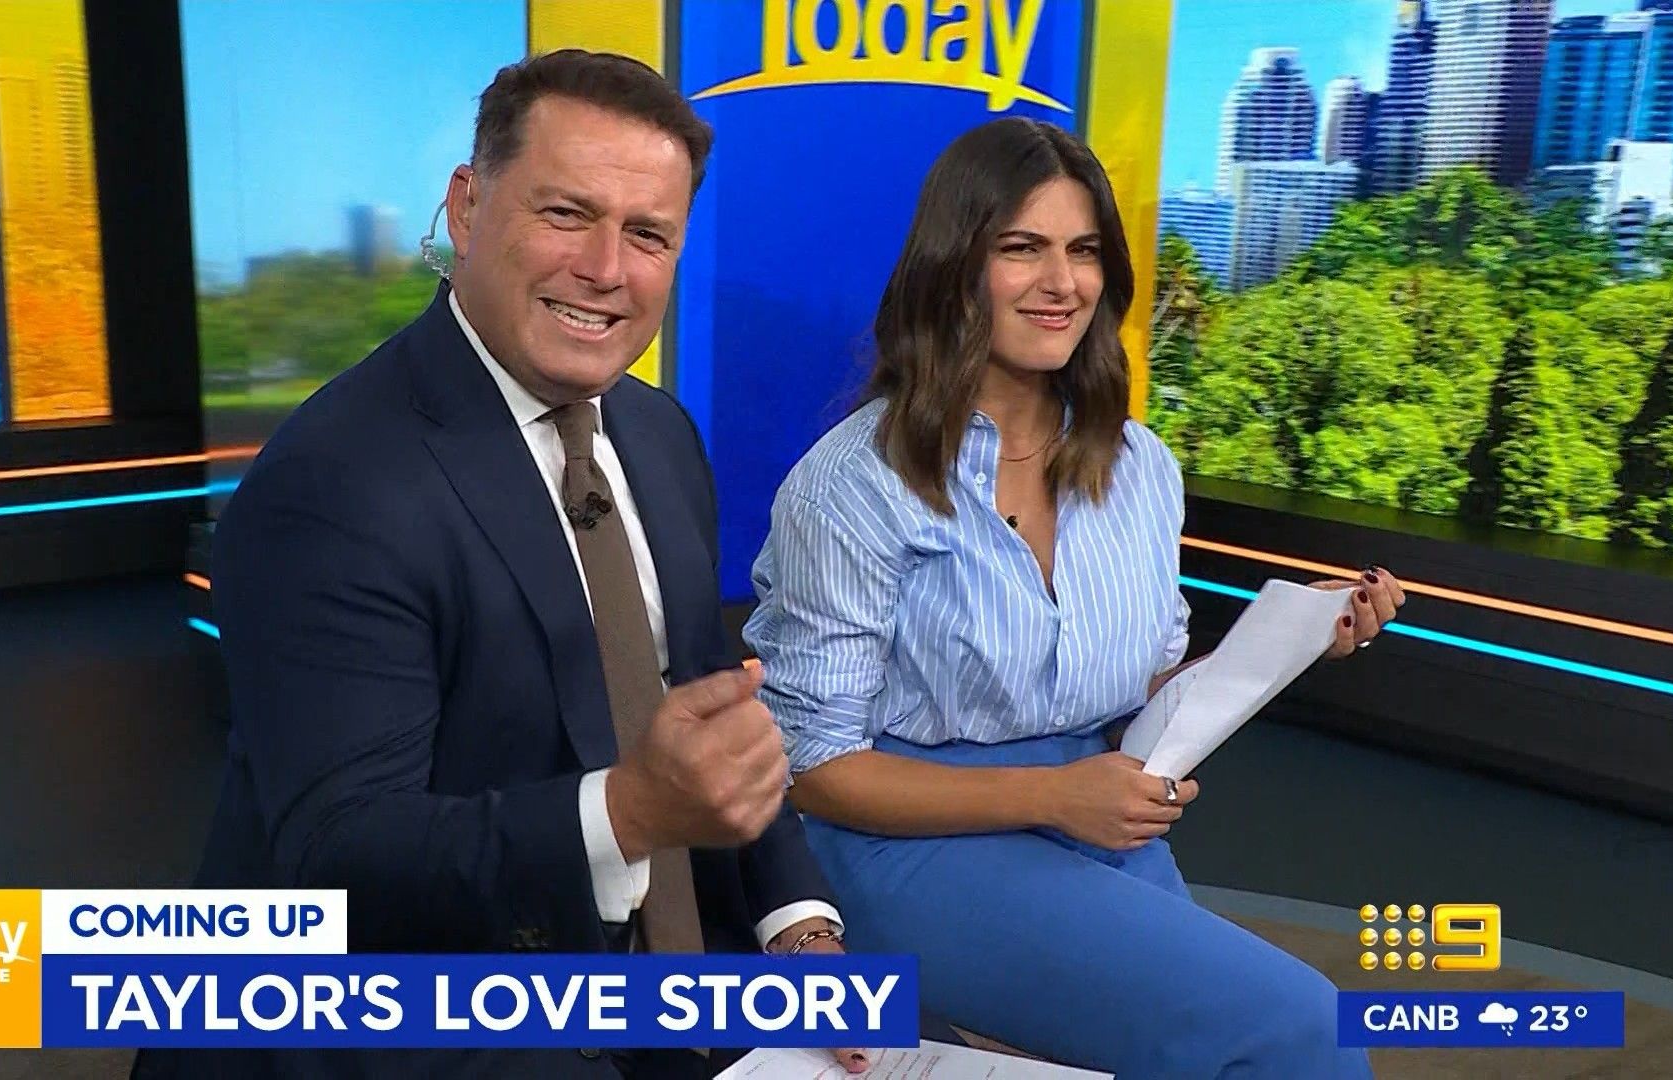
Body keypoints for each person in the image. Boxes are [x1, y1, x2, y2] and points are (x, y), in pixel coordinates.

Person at [135, 50, 870, 1080]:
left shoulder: (660, 438)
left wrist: (801, 933)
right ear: (468, 207)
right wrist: (631, 813)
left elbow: (718, 728)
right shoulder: (333, 483)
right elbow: (340, 859)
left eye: (648, 235)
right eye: (567, 214)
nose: (606, 269)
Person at [741, 117, 1402, 1077]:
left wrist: (1301, 637)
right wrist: (1054, 794)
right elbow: (815, 769)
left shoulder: (1140, 468)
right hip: (909, 838)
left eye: (1083, 251)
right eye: (1023, 248)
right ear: (954, 268)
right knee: (1303, 1026)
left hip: (1095, 810)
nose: (1062, 283)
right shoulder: (851, 486)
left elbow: (1142, 690)